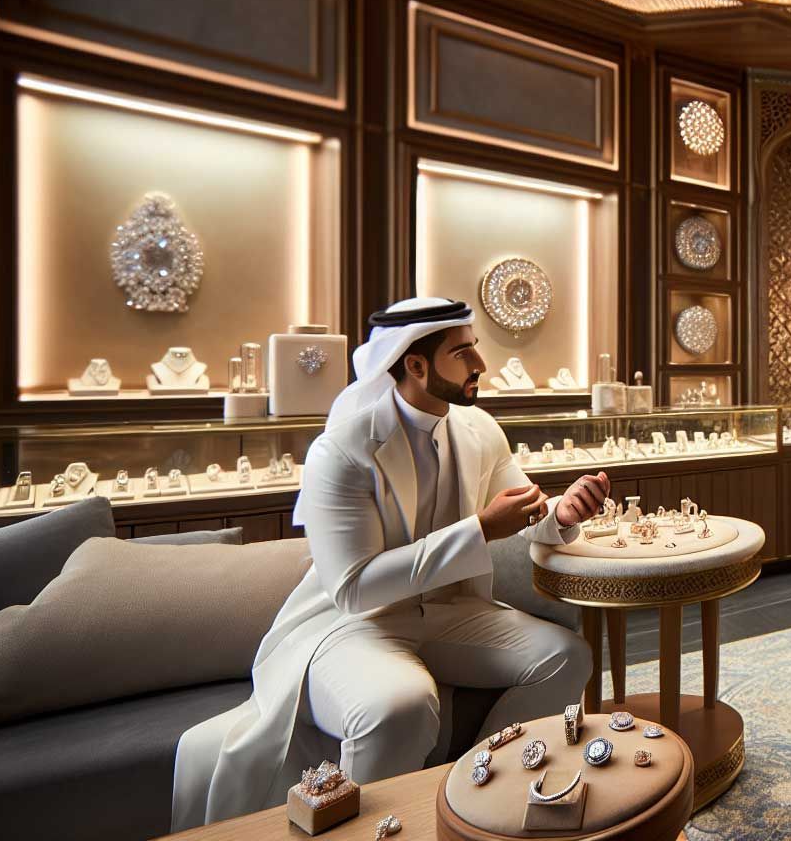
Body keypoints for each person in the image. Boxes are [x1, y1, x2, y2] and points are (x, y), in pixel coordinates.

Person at [172, 298, 609, 828]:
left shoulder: (479, 429)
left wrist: (561, 513)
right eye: (463, 352)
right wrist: (479, 530)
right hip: (354, 626)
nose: (480, 365)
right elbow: (353, 588)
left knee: (567, 655)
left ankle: (481, 798)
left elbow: (522, 510)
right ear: (415, 365)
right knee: (400, 704)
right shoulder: (341, 451)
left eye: (475, 349)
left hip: (450, 612)